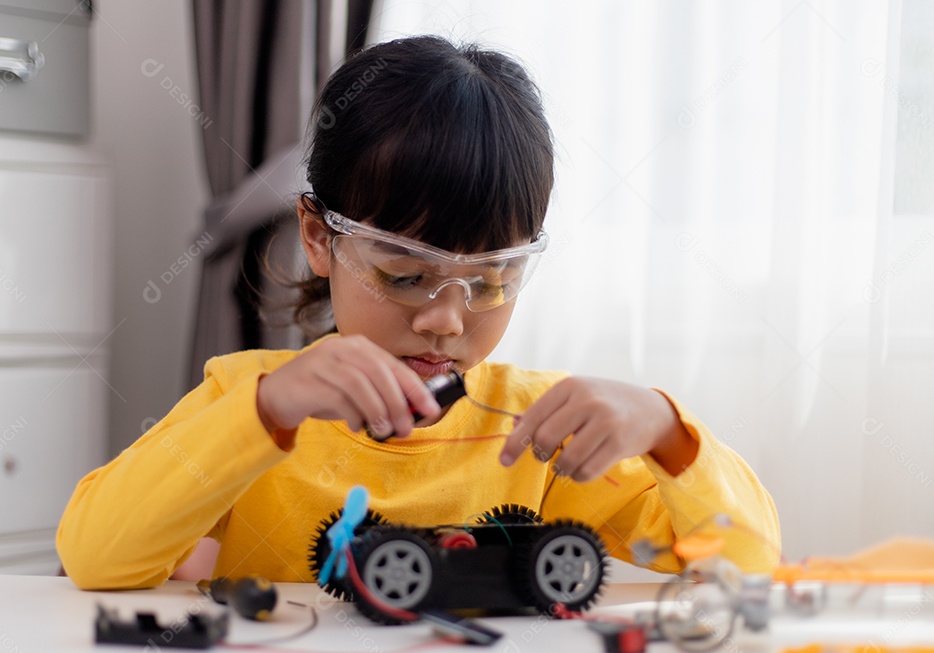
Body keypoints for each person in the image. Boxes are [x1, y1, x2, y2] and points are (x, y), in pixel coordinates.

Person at [57, 35, 780, 591]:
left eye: (493, 280)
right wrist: (264, 411)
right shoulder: (248, 404)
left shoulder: (544, 441)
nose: (446, 320)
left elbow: (746, 562)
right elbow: (94, 558)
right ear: (319, 238)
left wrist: (666, 429)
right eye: (405, 276)